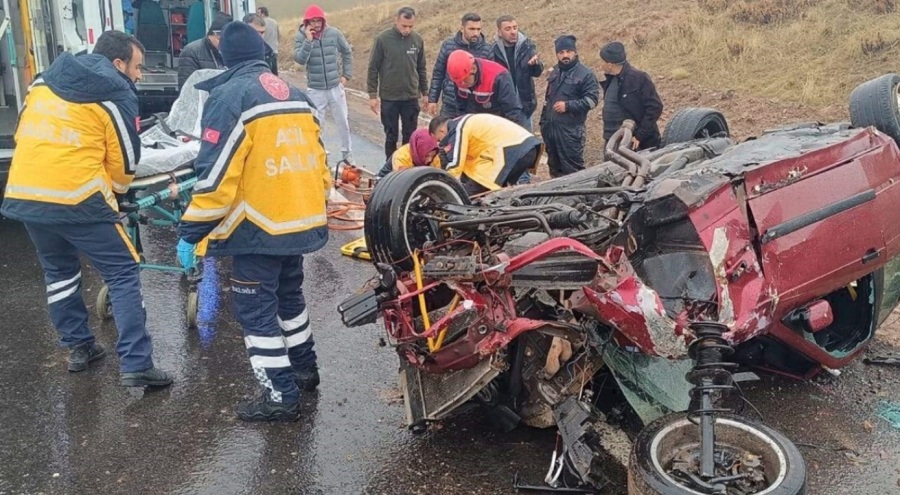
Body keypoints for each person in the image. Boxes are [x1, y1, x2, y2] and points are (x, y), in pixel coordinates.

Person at [176, 21, 331, 422]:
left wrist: (191, 231)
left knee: (255, 312)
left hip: (257, 227)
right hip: (298, 221)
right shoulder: (297, 96)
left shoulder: (230, 98)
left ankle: (281, 396)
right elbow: (320, 162)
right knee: (290, 299)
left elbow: (214, 177)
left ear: (225, 57)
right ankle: (304, 370)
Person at [0, 31, 173, 387]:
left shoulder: (42, 81)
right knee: (123, 273)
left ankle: (79, 348)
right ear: (118, 64)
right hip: (80, 197)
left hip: (28, 192)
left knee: (60, 273)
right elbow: (126, 158)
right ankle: (137, 364)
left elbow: (22, 133)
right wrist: (119, 191)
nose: (140, 75)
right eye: (138, 67)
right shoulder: (114, 92)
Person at [293, 4, 354, 164]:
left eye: (319, 21)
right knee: (317, 124)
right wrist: (308, 41)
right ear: (307, 22)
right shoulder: (300, 36)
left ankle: (347, 154)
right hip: (315, 88)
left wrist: (346, 75)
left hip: (335, 86)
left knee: (343, 121)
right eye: (313, 21)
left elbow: (347, 51)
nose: (316, 24)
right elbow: (299, 59)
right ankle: (321, 156)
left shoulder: (333, 33)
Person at [367, 6, 428, 159]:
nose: (407, 29)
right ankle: (390, 168)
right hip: (389, 97)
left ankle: (407, 168)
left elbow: (421, 68)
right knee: (391, 135)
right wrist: (372, 95)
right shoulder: (382, 39)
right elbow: (373, 68)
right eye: (404, 26)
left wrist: (425, 93)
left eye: (410, 26)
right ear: (396, 21)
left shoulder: (417, 40)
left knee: (410, 136)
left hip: (410, 97)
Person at [429, 113, 542, 196]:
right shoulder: (466, 120)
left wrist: (446, 188)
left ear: (442, 131)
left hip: (508, 151)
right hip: (527, 148)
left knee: (471, 193)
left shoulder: (459, 128)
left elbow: (455, 163)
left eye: (439, 140)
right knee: (503, 194)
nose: (441, 143)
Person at [540, 35, 600, 178]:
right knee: (554, 170)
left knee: (574, 172)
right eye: (561, 52)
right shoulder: (555, 71)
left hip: (571, 132)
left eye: (568, 51)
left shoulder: (586, 74)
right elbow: (547, 100)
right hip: (551, 131)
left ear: (575, 52)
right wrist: (543, 123)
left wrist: (568, 106)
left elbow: (592, 100)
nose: (565, 55)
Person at [598, 41, 663, 151]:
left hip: (636, 143)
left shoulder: (639, 78)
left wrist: (639, 135)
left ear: (609, 65)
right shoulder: (611, 79)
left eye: (602, 61)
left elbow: (655, 107)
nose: (600, 65)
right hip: (612, 139)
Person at [426, 12, 491, 118]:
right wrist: (432, 99)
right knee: (446, 132)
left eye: (478, 29)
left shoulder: (487, 49)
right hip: (450, 103)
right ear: (462, 28)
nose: (476, 33)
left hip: (474, 106)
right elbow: (438, 73)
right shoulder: (448, 46)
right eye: (471, 29)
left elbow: (489, 79)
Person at [445, 50, 528, 128]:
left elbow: (512, 112)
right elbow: (461, 108)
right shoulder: (459, 77)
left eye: (465, 80)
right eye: (458, 82)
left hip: (498, 125)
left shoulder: (499, 77)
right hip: (474, 126)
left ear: (473, 69)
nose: (462, 84)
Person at [490, 15, 542, 132]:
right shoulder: (492, 51)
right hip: (502, 109)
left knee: (526, 144)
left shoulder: (526, 46)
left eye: (515, 27)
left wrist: (535, 64)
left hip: (524, 106)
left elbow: (537, 72)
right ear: (499, 32)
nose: (513, 32)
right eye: (508, 29)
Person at [177, 11, 231, 90]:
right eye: (221, 39)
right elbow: (186, 88)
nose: (224, 44)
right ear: (215, 34)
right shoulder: (191, 51)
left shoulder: (232, 51)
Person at [375, 128, 440, 178]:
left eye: (432, 156)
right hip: (389, 182)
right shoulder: (402, 157)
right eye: (427, 156)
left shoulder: (434, 157)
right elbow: (402, 183)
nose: (430, 160)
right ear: (420, 151)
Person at [256, 6, 280, 75]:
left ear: (262, 13)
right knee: (274, 70)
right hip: (275, 49)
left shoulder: (261, 23)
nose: (257, 15)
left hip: (265, 51)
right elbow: (278, 35)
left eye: (258, 13)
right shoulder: (274, 22)